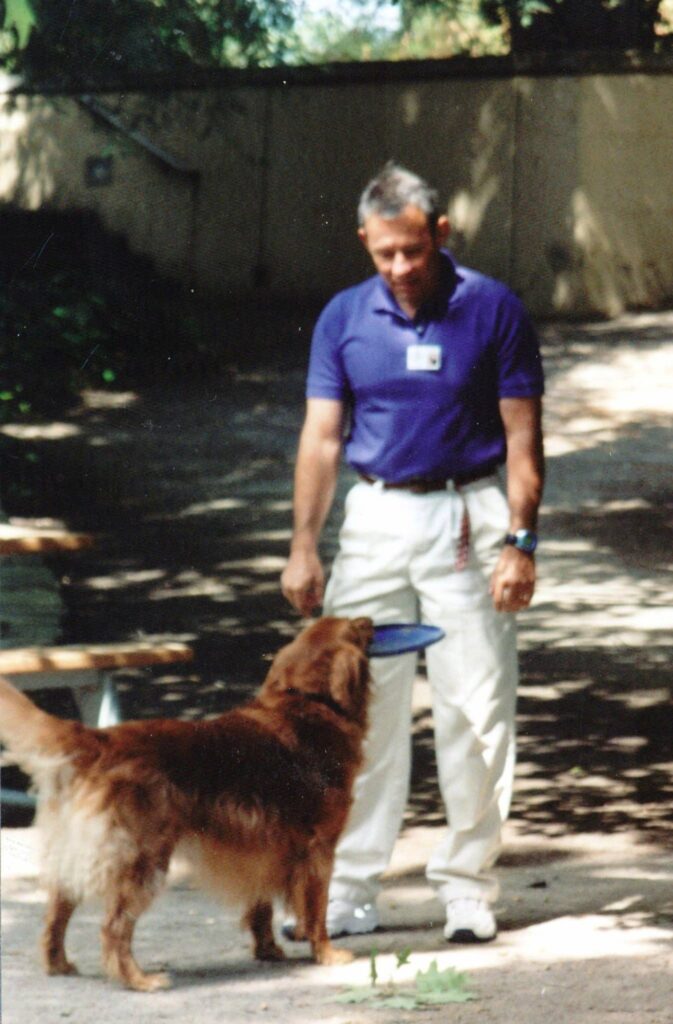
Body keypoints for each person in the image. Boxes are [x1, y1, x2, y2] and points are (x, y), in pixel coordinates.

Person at [280, 162, 544, 944]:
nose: (398, 269)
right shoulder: (342, 318)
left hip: (467, 513)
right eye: (383, 253)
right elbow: (322, 438)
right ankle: (351, 889)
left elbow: (524, 440)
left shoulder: (492, 309)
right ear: (365, 241)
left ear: (440, 234)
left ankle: (466, 887)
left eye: (412, 252)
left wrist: (520, 543)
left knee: (475, 704)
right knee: (353, 706)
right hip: (376, 519)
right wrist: (303, 545)